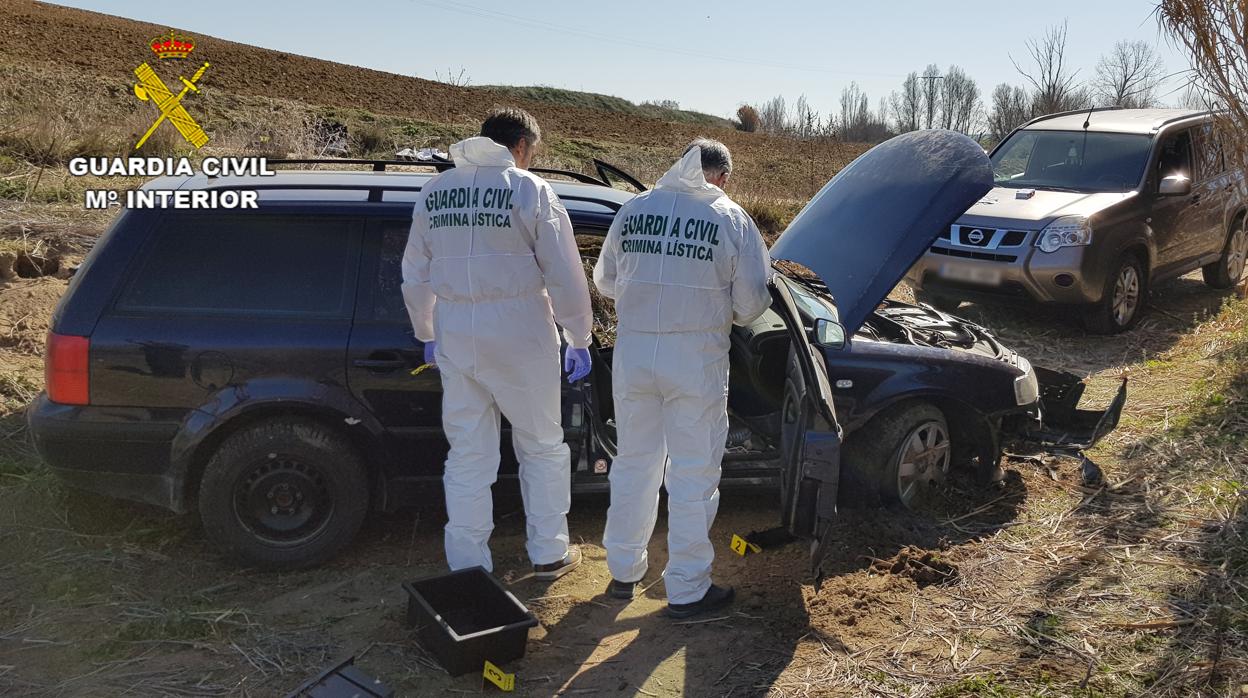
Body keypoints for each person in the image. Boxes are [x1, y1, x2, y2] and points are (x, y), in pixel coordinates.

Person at [402, 107, 594, 579]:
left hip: (455, 331)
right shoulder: (531, 190)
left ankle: (467, 565)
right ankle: (549, 553)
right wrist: (579, 336)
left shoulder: (435, 191)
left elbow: (414, 273)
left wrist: (426, 330)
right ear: (523, 147)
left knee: (468, 453)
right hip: (520, 330)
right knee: (542, 445)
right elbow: (565, 274)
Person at [593, 138, 772, 618]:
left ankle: (623, 571)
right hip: (695, 359)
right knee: (693, 473)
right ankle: (689, 590)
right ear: (723, 176)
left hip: (634, 355)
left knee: (634, 464)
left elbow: (606, 281)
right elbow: (752, 303)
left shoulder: (634, 210)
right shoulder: (730, 218)